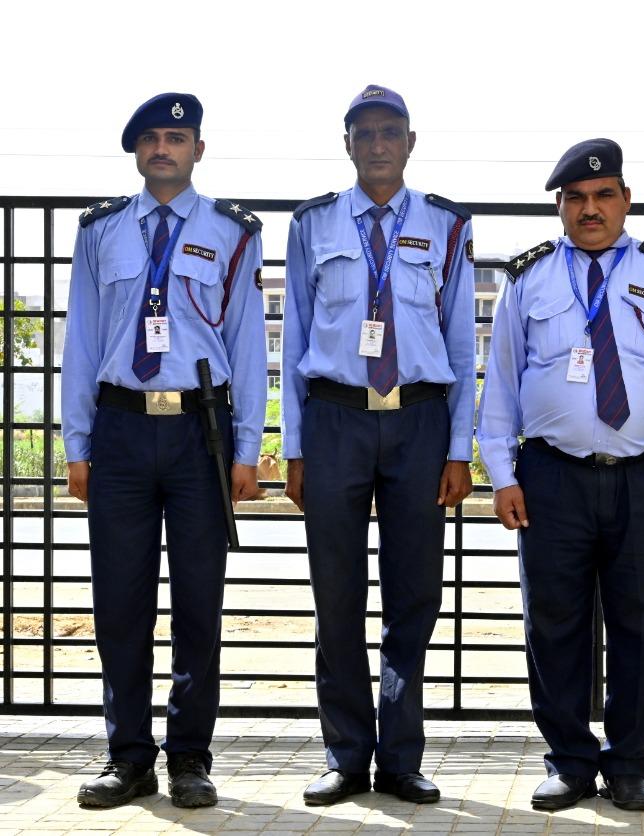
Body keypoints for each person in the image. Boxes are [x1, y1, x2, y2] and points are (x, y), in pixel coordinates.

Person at [476, 138, 644, 812]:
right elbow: (502, 381)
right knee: (553, 623)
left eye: (603, 195)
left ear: (625, 200)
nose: (590, 209)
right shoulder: (528, 278)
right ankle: (570, 762)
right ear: (560, 206)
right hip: (551, 475)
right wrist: (501, 473)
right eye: (576, 198)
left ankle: (630, 765)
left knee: (642, 623)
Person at [63, 92, 266, 809]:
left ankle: (188, 757)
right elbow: (81, 338)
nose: (162, 149)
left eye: (176, 138)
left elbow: (247, 343)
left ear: (198, 150)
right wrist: (77, 443)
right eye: (150, 138)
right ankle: (128, 758)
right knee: (119, 603)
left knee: (198, 602)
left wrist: (248, 449)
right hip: (119, 430)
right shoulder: (101, 231)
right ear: (137, 151)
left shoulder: (234, 232)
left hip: (198, 434)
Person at [281, 84, 476, 806]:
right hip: (335, 420)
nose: (377, 144)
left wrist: (459, 449)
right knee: (336, 593)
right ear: (347, 145)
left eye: (389, 131)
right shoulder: (313, 223)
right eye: (363, 133)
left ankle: (400, 757)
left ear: (410, 142)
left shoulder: (448, 225)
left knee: (413, 594)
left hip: (419, 421)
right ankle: (345, 754)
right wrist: (294, 447)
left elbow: (462, 340)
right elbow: (294, 337)